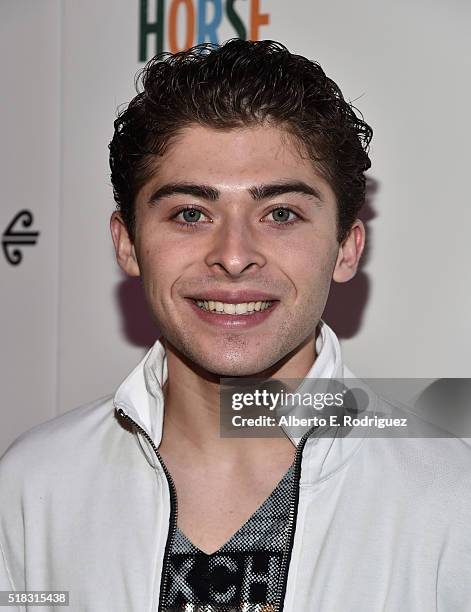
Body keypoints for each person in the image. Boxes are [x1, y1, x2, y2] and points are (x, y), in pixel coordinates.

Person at [0, 39, 470, 612]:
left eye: (280, 214)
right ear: (127, 244)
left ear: (347, 248)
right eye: (191, 214)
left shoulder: (454, 498)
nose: (233, 254)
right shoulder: (32, 484)